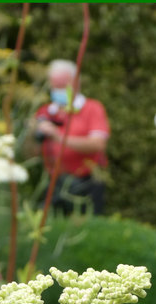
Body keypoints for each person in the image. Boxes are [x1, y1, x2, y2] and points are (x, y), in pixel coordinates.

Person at [32, 59, 110, 216]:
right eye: (55, 86)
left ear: (76, 84)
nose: (58, 91)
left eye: (63, 86)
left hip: (85, 182)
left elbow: (98, 144)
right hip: (54, 181)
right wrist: (32, 132)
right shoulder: (45, 111)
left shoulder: (92, 108)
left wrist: (58, 136)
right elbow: (31, 152)